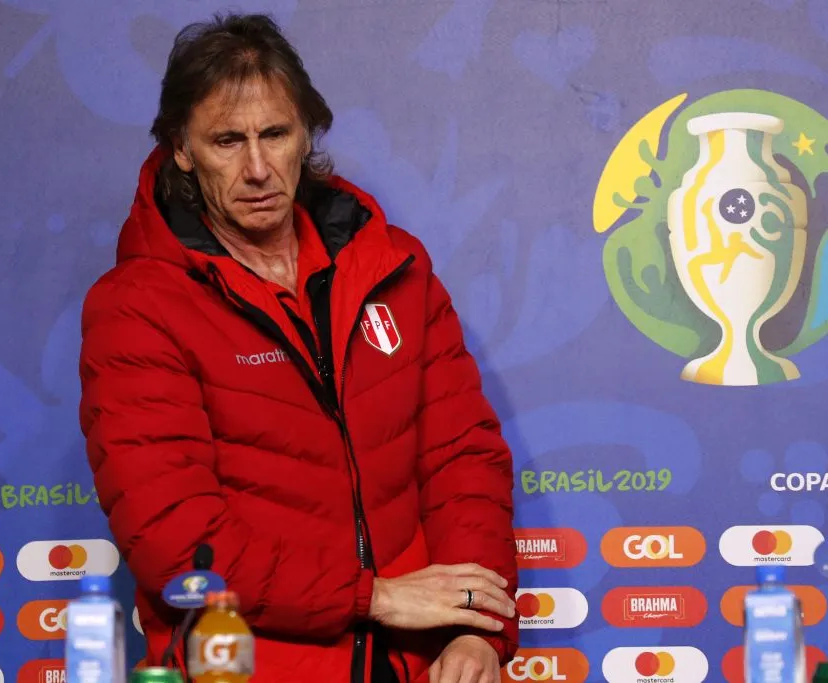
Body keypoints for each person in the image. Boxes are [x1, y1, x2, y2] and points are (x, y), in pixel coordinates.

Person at [78, 12, 518, 683]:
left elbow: (462, 459)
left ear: (304, 134)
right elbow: (176, 539)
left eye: (275, 134)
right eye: (227, 140)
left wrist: (472, 628)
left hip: (411, 665)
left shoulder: (394, 267)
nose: (257, 168)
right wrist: (373, 596)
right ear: (182, 148)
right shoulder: (136, 308)